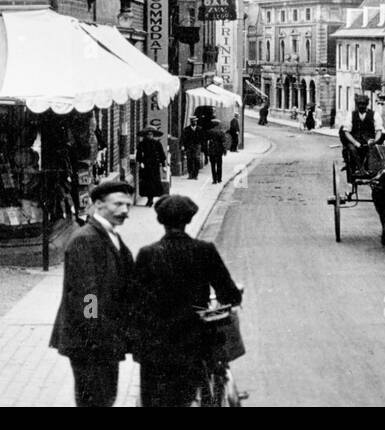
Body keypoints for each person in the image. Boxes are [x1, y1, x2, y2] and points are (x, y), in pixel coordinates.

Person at [131, 194, 242, 407]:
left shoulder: (147, 254)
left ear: (160, 221)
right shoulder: (204, 251)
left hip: (158, 343)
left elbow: (136, 301)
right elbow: (228, 294)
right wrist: (232, 296)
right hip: (195, 341)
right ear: (189, 220)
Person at [49, 180, 136, 407]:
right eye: (117, 204)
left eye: (128, 205)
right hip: (90, 343)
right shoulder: (86, 239)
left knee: (105, 398)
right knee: (95, 400)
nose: (124, 210)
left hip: (103, 338)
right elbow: (88, 295)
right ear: (98, 204)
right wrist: (93, 335)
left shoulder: (110, 236)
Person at [135, 128, 168, 207]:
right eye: (148, 134)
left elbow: (162, 155)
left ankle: (151, 199)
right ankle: (149, 199)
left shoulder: (157, 143)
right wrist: (141, 162)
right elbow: (139, 155)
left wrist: (163, 165)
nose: (150, 136)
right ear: (146, 135)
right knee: (146, 183)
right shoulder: (142, 144)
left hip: (154, 166)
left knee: (154, 183)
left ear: (153, 135)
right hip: (146, 166)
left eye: (151, 134)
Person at [202, 110, 229, 185]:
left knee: (213, 166)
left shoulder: (209, 132)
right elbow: (223, 142)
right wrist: (224, 150)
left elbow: (205, 141)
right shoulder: (221, 132)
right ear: (217, 124)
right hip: (219, 151)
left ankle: (214, 179)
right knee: (219, 165)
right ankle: (219, 179)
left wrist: (206, 151)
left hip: (211, 151)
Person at [180, 116, 202, 180]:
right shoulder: (186, 129)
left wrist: (201, 146)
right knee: (189, 160)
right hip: (189, 146)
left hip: (197, 146)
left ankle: (196, 175)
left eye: (195, 121)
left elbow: (202, 138)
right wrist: (182, 145)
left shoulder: (199, 129)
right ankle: (190, 174)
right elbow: (183, 138)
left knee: (196, 159)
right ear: (191, 122)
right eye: (193, 121)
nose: (195, 122)